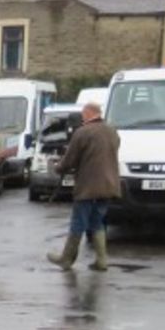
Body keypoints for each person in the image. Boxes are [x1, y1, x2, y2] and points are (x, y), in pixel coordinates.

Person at [48, 102, 121, 271]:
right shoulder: (112, 131)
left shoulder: (82, 133)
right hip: (108, 185)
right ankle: (102, 260)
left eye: (83, 114)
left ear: (89, 113)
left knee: (78, 221)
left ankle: (66, 258)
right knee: (97, 221)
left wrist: (58, 168)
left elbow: (70, 159)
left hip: (88, 185)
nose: (82, 117)